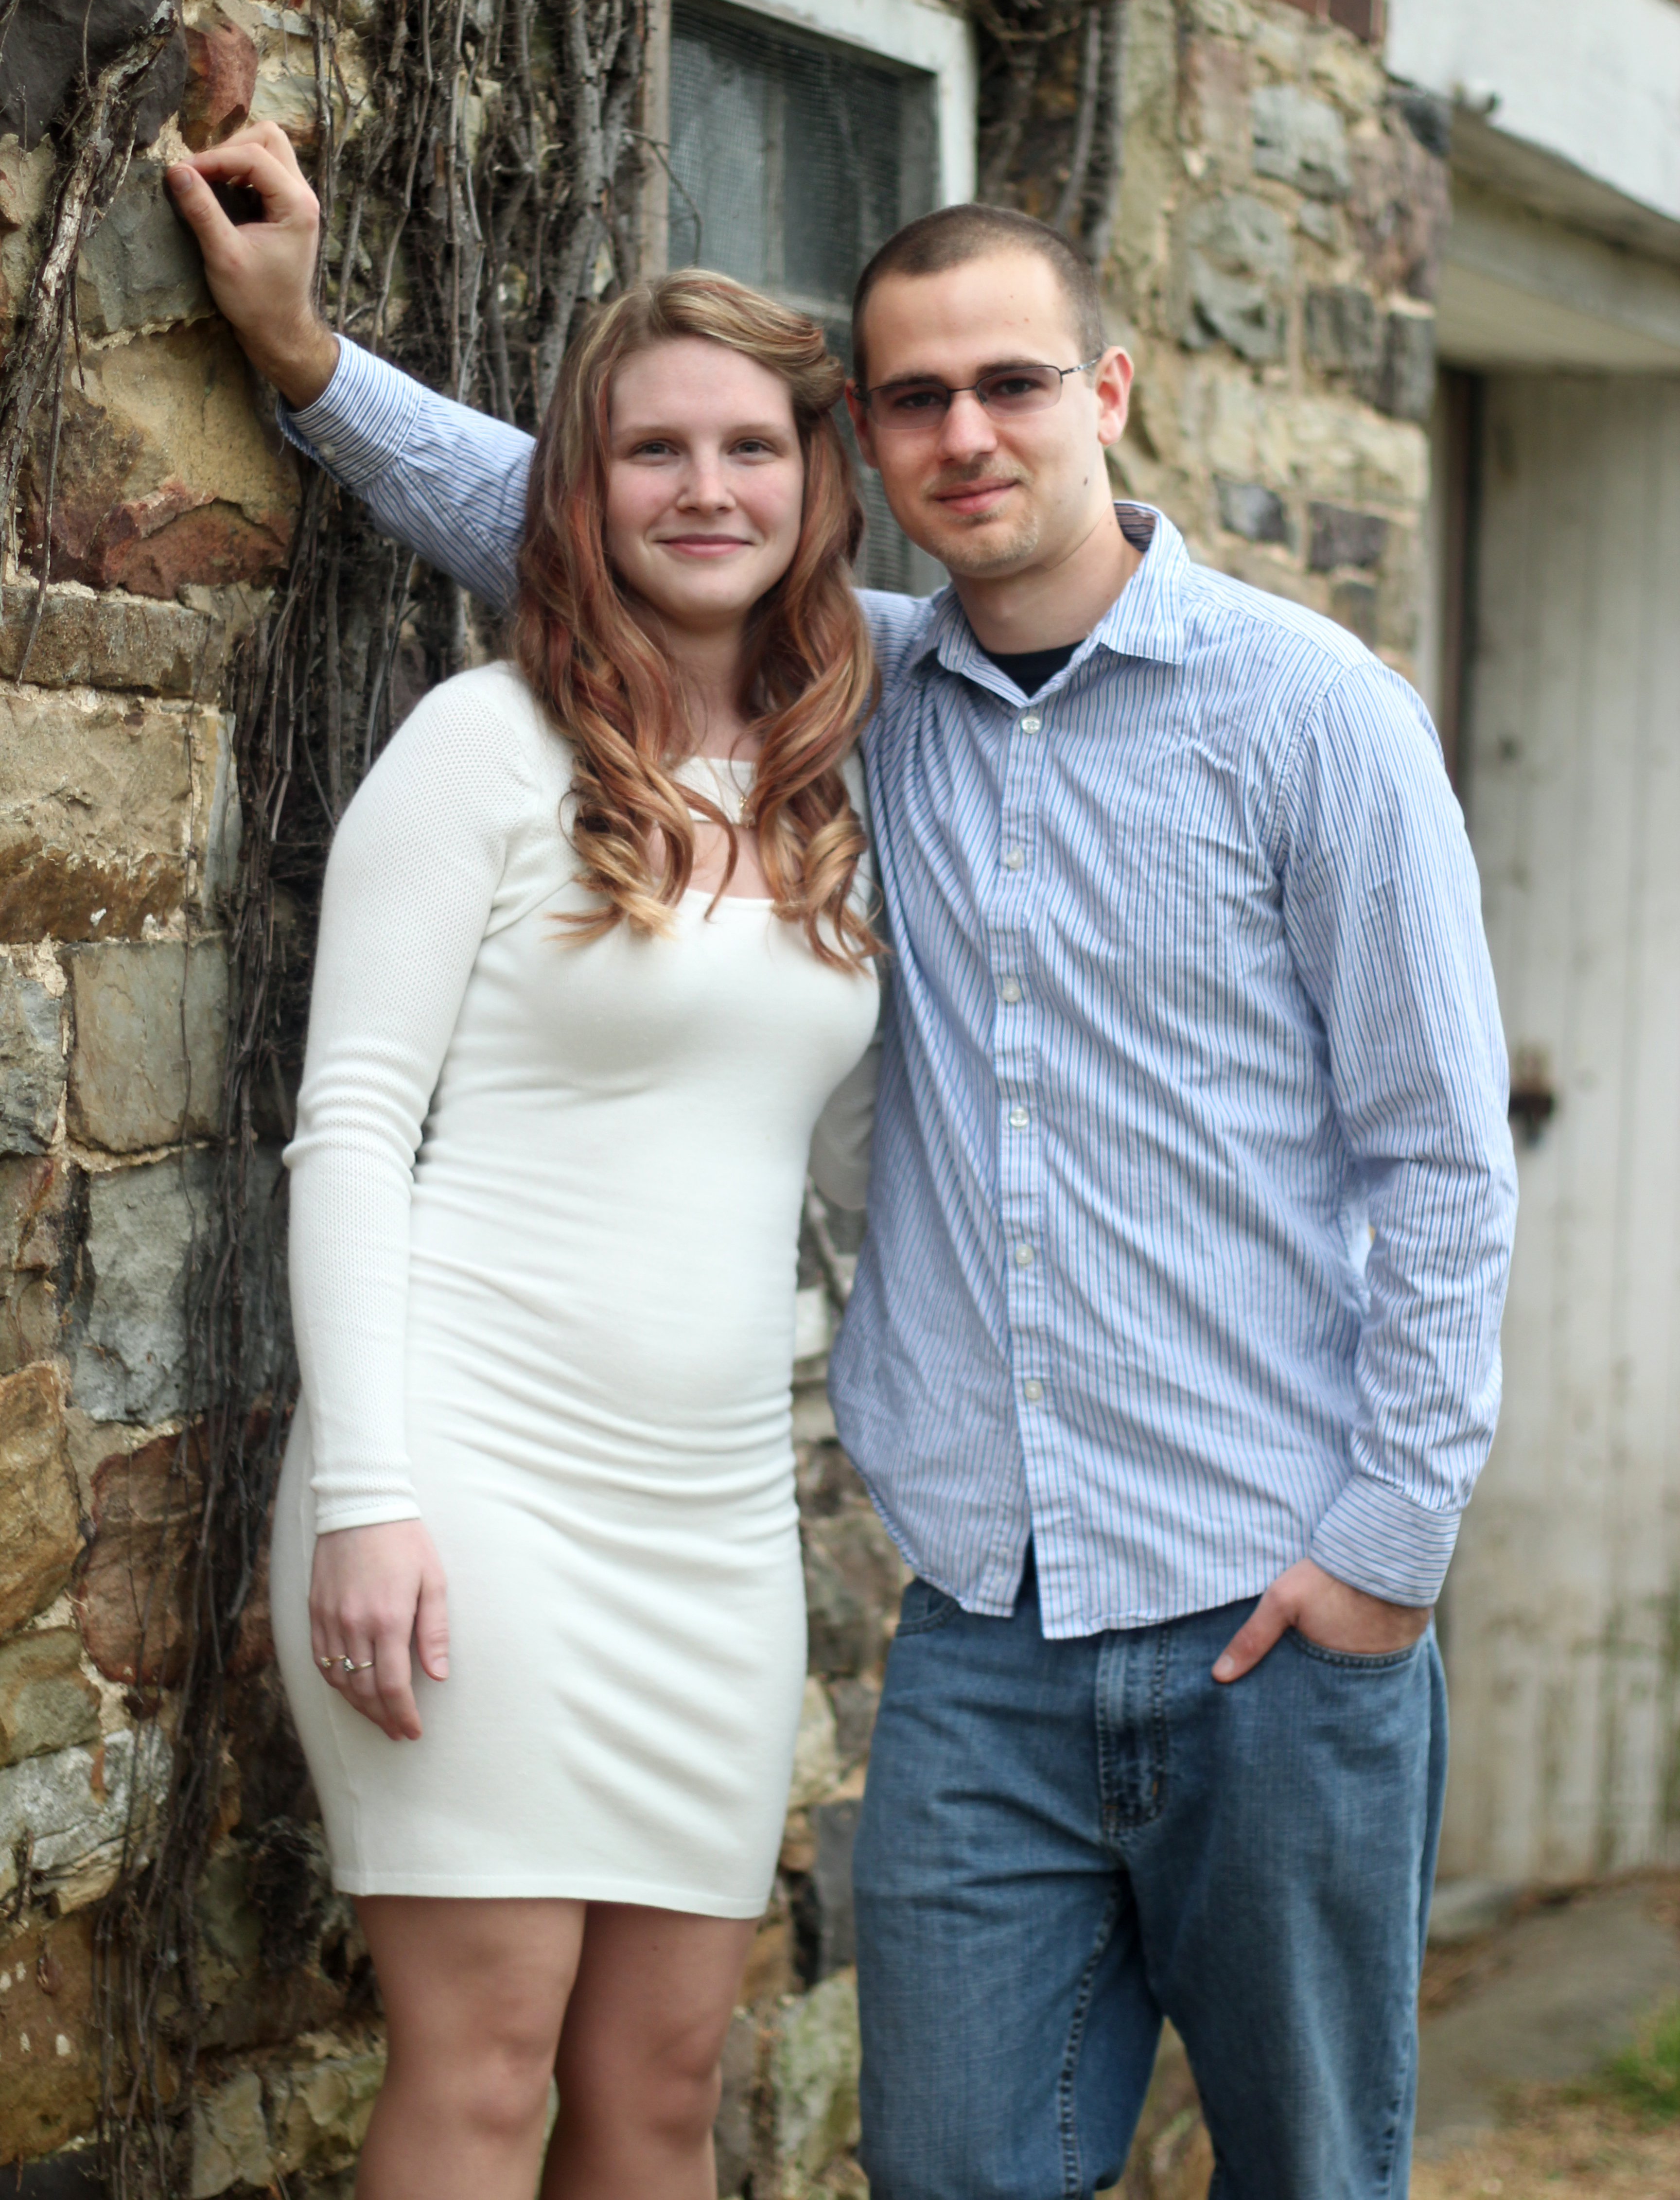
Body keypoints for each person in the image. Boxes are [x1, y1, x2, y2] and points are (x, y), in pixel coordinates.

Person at [172, 128, 1517, 2200]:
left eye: (1013, 384)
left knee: (1309, 2171)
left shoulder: (1307, 717)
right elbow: (585, 510)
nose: (968, 434)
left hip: (1266, 1605)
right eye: (916, 399)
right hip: (980, 1621)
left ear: (1109, 391)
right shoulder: (873, 696)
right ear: (871, 448)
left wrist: (1391, 1549)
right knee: (950, 2167)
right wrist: (309, 361)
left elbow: (1442, 1158)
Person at [260, 247, 883, 2200]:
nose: (706, 489)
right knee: (484, 2069)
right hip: (469, 1483)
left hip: (709, 1526)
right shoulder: (487, 745)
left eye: (749, 447)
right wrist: (369, 1491)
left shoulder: (838, 781)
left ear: (813, 483)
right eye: (651, 450)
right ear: (579, 487)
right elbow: (352, 1122)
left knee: (667, 2087)